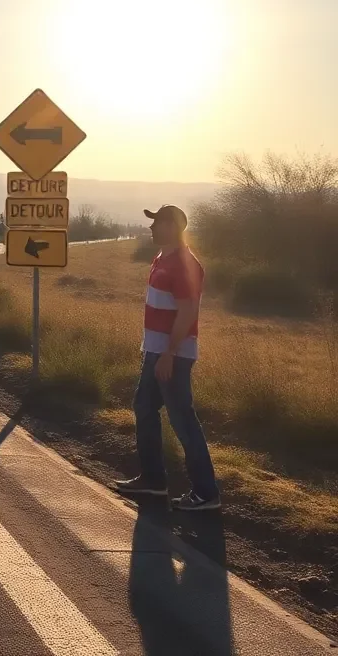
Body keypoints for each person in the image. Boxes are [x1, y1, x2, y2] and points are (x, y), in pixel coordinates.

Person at [113, 205, 220, 511]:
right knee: (144, 408)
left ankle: (205, 492)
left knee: (182, 420)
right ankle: (153, 480)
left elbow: (188, 311)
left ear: (173, 226)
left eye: (156, 223)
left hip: (173, 355)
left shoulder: (185, 263)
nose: (151, 229)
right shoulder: (161, 257)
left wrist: (169, 354)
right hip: (156, 352)